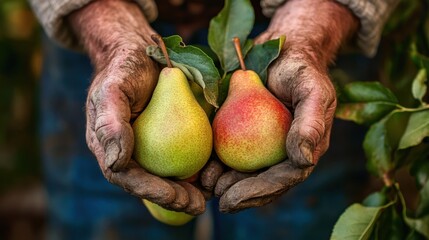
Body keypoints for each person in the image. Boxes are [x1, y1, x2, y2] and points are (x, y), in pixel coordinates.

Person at [29, 0, 399, 239]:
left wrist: (310, 32)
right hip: (107, 22)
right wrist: (109, 36)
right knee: (105, 222)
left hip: (288, 27)